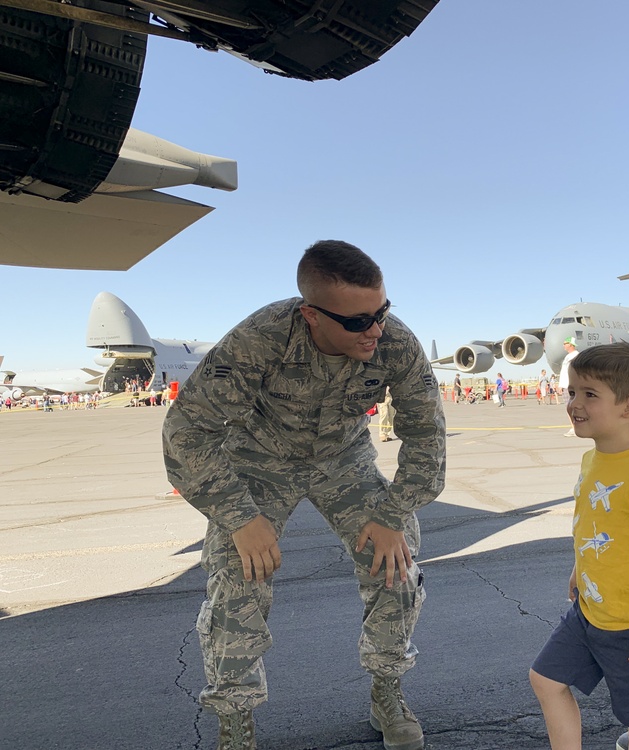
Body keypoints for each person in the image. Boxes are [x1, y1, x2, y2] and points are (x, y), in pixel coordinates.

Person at [162, 240, 446, 750]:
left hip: (344, 460)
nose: (375, 329)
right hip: (257, 462)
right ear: (311, 315)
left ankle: (388, 690)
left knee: (396, 563)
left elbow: (427, 437)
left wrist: (392, 512)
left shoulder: (396, 343)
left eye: (382, 311)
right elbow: (187, 432)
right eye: (358, 321)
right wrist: (239, 516)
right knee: (237, 577)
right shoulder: (261, 338)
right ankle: (235, 722)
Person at [529, 342, 629, 750]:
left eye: (589, 394)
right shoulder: (592, 459)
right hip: (589, 611)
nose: (573, 403)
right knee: (545, 680)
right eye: (571, 392)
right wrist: (579, 569)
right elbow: (599, 526)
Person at [559, 337, 580, 435]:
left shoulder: (575, 356)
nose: (563, 345)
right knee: (568, 407)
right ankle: (573, 427)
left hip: (570, 385)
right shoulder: (568, 356)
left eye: (565, 343)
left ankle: (575, 428)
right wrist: (560, 385)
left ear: (571, 344)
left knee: (571, 407)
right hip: (565, 385)